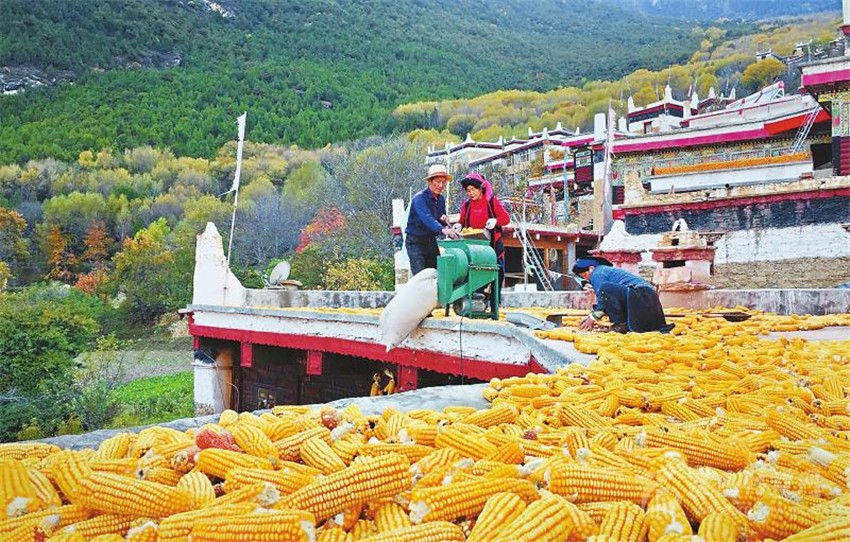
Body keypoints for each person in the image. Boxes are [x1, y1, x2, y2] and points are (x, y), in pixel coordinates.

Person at [572, 257, 672, 333]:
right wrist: (593, 315)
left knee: (605, 288)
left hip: (641, 294)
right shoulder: (606, 271)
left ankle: (621, 324)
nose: (586, 279)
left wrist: (593, 318)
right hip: (648, 296)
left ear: (591, 268)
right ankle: (625, 324)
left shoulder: (597, 273)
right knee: (607, 294)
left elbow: (602, 296)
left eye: (584, 275)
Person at [405, 164, 459, 276]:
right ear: (430, 181)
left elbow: (439, 217)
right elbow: (426, 218)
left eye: (443, 182)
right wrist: (443, 230)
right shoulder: (419, 198)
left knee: (436, 273)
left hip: (431, 241)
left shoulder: (441, 200)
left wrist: (443, 219)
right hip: (416, 241)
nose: (440, 185)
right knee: (420, 276)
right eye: (438, 181)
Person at [457, 173, 510, 285]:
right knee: (476, 277)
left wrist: (495, 221)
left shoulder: (491, 201)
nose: (471, 193)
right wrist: (459, 226)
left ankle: (496, 296)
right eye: (468, 191)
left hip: (493, 246)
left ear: (480, 189)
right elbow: (462, 221)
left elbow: (506, 218)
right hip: (474, 248)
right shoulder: (466, 205)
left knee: (497, 276)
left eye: (473, 190)